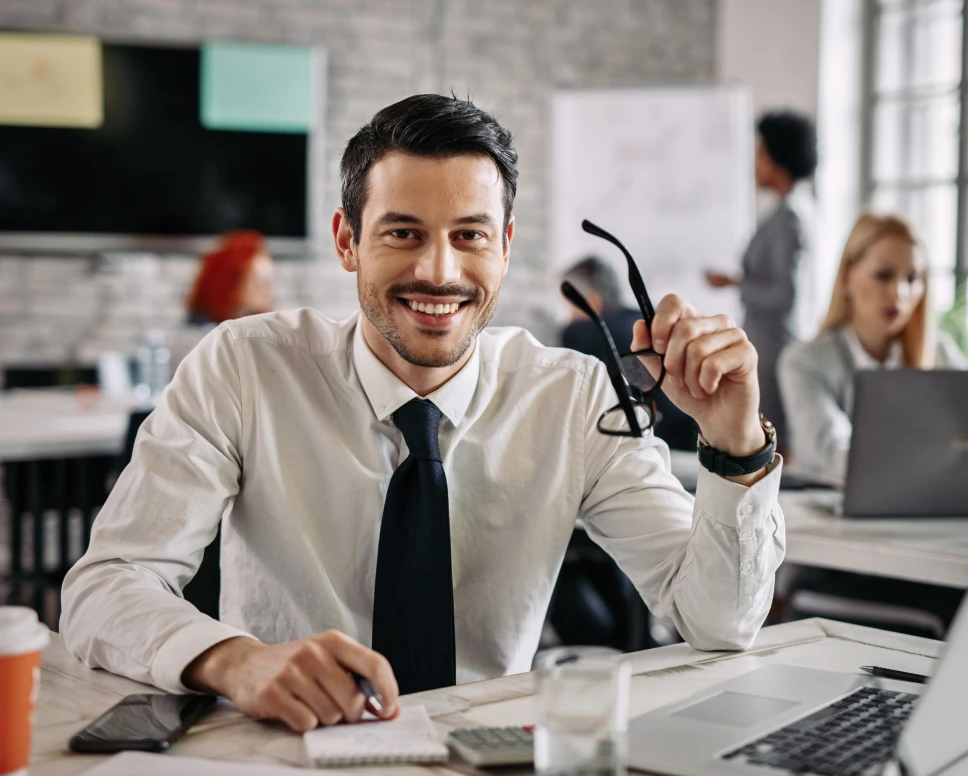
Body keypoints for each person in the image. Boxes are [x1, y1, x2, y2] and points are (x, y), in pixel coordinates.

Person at [61, 95, 785, 734]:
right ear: (348, 241)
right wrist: (236, 662)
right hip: (284, 747)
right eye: (403, 232)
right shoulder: (244, 367)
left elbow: (719, 623)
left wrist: (735, 442)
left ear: (504, 247)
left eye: (469, 234)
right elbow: (104, 587)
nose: (439, 271)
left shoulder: (573, 397)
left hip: (488, 757)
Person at [778, 211, 967, 483]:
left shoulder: (941, 353)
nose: (899, 293)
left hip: (920, 511)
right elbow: (834, 453)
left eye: (912, 279)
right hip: (826, 518)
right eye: (883, 275)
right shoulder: (803, 362)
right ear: (847, 277)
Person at [706, 110, 818, 452]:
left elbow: (784, 294)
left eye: (760, 153)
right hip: (773, 341)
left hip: (773, 347)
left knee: (769, 440)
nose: (755, 163)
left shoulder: (790, 217)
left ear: (776, 156)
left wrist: (736, 285)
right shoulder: (797, 208)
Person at [186, 231, 275, 326]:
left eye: (268, 283)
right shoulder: (204, 331)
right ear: (232, 282)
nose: (266, 293)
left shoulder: (263, 329)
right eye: (258, 283)